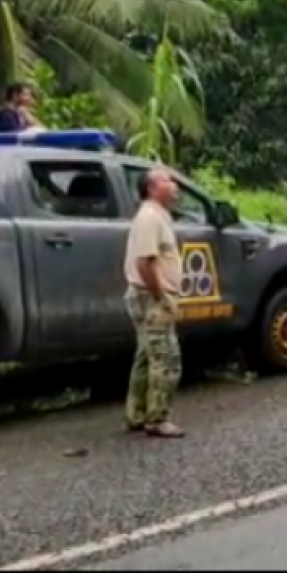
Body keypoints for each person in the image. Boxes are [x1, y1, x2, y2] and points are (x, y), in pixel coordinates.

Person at [123, 168, 184, 438]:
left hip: (145, 295)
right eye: (167, 181)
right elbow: (144, 262)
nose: (174, 185)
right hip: (151, 297)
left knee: (146, 356)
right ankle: (157, 418)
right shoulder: (149, 217)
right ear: (151, 188)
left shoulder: (159, 215)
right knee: (166, 358)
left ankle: (136, 413)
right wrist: (161, 296)